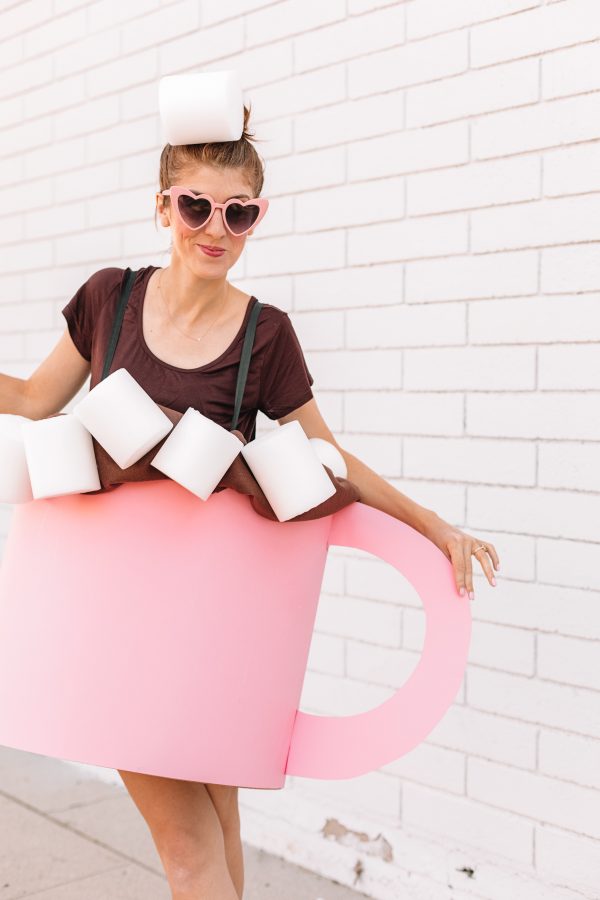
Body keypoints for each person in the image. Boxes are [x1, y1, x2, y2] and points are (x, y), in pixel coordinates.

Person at [0, 104, 499, 899]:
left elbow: (327, 459)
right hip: (112, 626)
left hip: (207, 631)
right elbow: (32, 401)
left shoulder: (265, 337)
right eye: (197, 205)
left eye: (240, 213)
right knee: (192, 847)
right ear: (162, 204)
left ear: (256, 218)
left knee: (220, 835)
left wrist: (432, 527)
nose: (216, 229)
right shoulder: (109, 301)